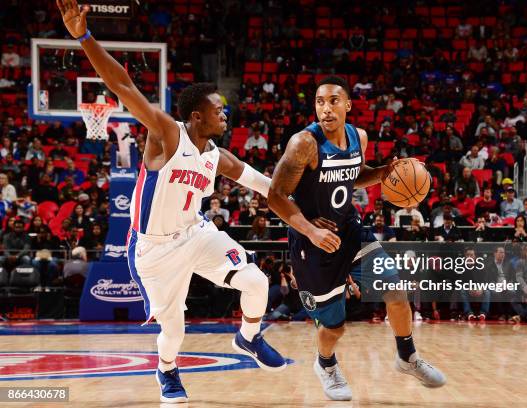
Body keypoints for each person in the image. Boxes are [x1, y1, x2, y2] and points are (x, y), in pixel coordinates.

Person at [56, 2, 286, 403]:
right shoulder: (166, 133)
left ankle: (248, 337)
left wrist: (307, 206)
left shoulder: (217, 156)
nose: (226, 114)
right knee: (174, 329)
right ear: (197, 116)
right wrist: (83, 37)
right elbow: (122, 85)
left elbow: (266, 187)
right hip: (154, 249)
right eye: (219, 110)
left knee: (256, 281)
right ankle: (167, 370)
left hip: (196, 234)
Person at [268, 76, 445, 401]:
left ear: (348, 105)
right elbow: (276, 196)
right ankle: (326, 365)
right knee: (334, 327)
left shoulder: (357, 136)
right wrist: (311, 229)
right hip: (312, 242)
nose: (326, 108)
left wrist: (382, 173)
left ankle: (407, 356)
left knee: (395, 288)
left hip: (348, 229)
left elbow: (353, 176)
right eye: (320, 102)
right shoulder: (304, 143)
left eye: (333, 101)